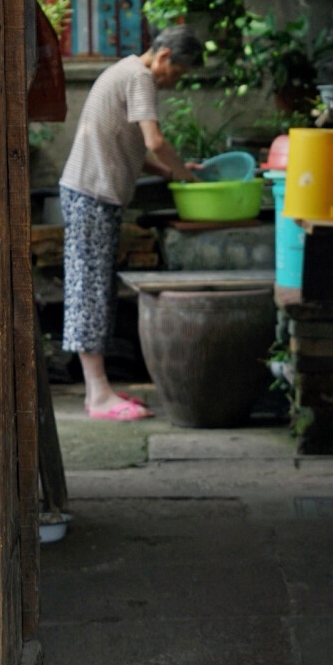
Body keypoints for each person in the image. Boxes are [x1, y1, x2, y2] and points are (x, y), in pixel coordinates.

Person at [60, 26, 203, 421]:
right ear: (165, 57)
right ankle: (98, 395)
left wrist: (172, 172)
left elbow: (136, 151)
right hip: (92, 195)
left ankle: (97, 390)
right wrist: (187, 178)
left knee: (93, 287)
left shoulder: (124, 71)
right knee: (89, 290)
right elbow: (154, 140)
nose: (175, 82)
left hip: (89, 194)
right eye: (178, 73)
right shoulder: (140, 78)